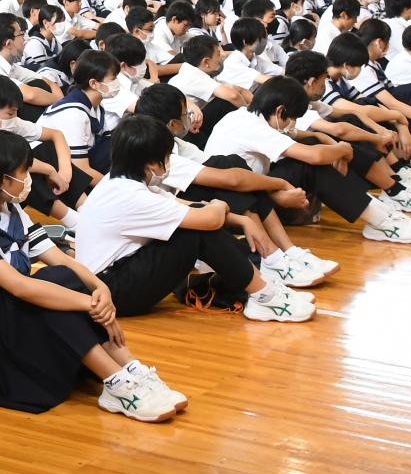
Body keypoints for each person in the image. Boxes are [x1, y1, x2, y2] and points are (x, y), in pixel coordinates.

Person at [0, 128, 182, 420]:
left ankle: (131, 369)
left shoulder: (10, 210)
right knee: (48, 288)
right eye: (23, 171)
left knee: (62, 276)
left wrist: (100, 289)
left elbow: (61, 259)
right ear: (2, 180)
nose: (28, 179)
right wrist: (90, 304)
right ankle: (116, 382)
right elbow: (19, 286)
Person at [72, 115, 311, 323]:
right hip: (112, 292)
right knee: (195, 231)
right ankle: (264, 296)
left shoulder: (120, 182)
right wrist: (219, 207)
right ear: (152, 162)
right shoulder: (130, 195)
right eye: (166, 156)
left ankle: (260, 285)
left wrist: (243, 220)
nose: (168, 161)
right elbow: (209, 220)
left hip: (113, 279)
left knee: (196, 216)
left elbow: (188, 206)